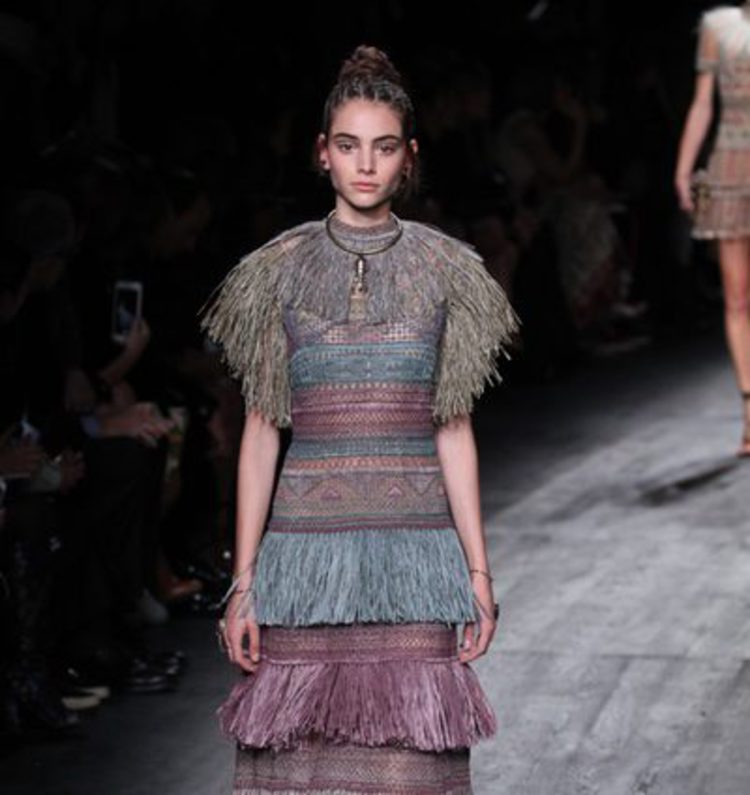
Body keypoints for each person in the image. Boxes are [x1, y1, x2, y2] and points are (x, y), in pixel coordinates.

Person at [199, 44, 520, 793]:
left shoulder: (450, 271)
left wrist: (478, 573)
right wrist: (243, 582)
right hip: (302, 560)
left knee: (412, 771)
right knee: (299, 770)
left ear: (409, 158)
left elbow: (453, 428)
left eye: (383, 147)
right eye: (348, 146)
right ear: (322, 153)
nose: (365, 165)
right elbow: (260, 431)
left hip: (417, 561)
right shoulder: (274, 271)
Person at [675, 2, 750, 457]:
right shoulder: (718, 28)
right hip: (731, 163)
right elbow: (703, 102)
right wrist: (684, 168)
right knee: (737, 295)